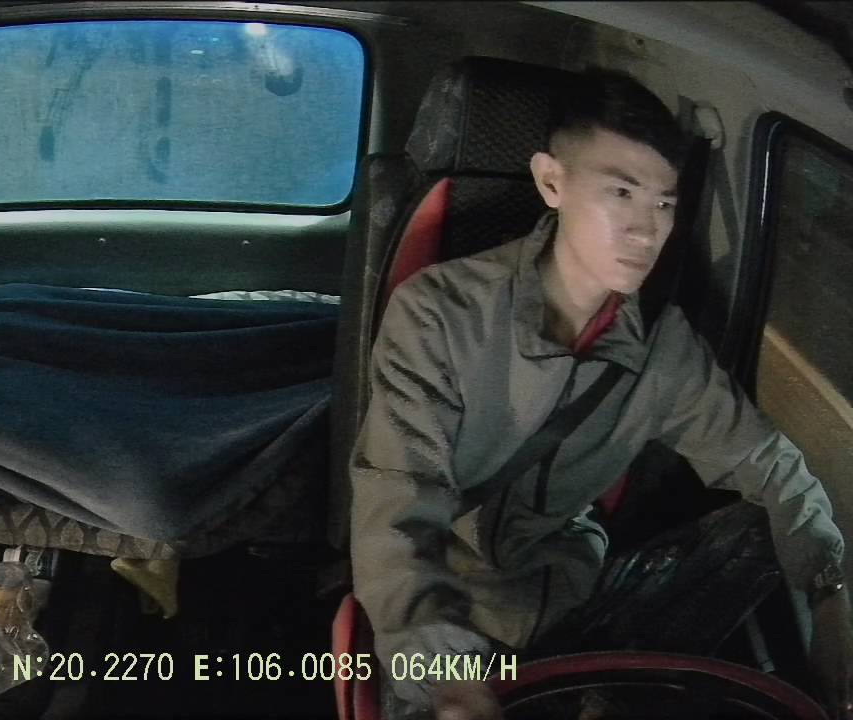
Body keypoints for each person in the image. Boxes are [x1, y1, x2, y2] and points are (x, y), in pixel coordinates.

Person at [349, 67, 853, 720]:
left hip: (573, 596)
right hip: (450, 606)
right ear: (551, 182)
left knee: (763, 534)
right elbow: (398, 502)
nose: (646, 230)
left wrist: (830, 596)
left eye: (664, 204)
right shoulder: (440, 314)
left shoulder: (663, 350)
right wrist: (448, 675)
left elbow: (766, 462)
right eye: (621, 192)